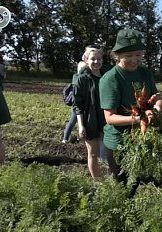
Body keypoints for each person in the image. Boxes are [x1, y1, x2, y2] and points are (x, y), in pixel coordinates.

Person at [99, 29, 162, 183]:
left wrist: (158, 109)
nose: (135, 59)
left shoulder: (145, 73)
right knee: (123, 186)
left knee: (134, 183)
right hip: (119, 142)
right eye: (128, 55)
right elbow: (110, 118)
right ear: (117, 55)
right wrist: (138, 119)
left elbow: (157, 97)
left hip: (140, 139)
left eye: (138, 54)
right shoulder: (111, 79)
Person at [72, 47, 106, 178]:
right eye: (93, 59)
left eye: (99, 59)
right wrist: (81, 125)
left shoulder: (106, 77)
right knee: (92, 153)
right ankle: (97, 182)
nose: (96, 61)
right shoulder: (82, 79)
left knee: (109, 153)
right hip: (90, 120)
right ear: (86, 60)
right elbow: (77, 105)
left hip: (106, 119)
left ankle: (114, 180)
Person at [62, 45, 99, 144]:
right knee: (74, 119)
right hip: (81, 100)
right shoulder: (82, 70)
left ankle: (73, 138)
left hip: (85, 100)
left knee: (76, 120)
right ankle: (65, 139)